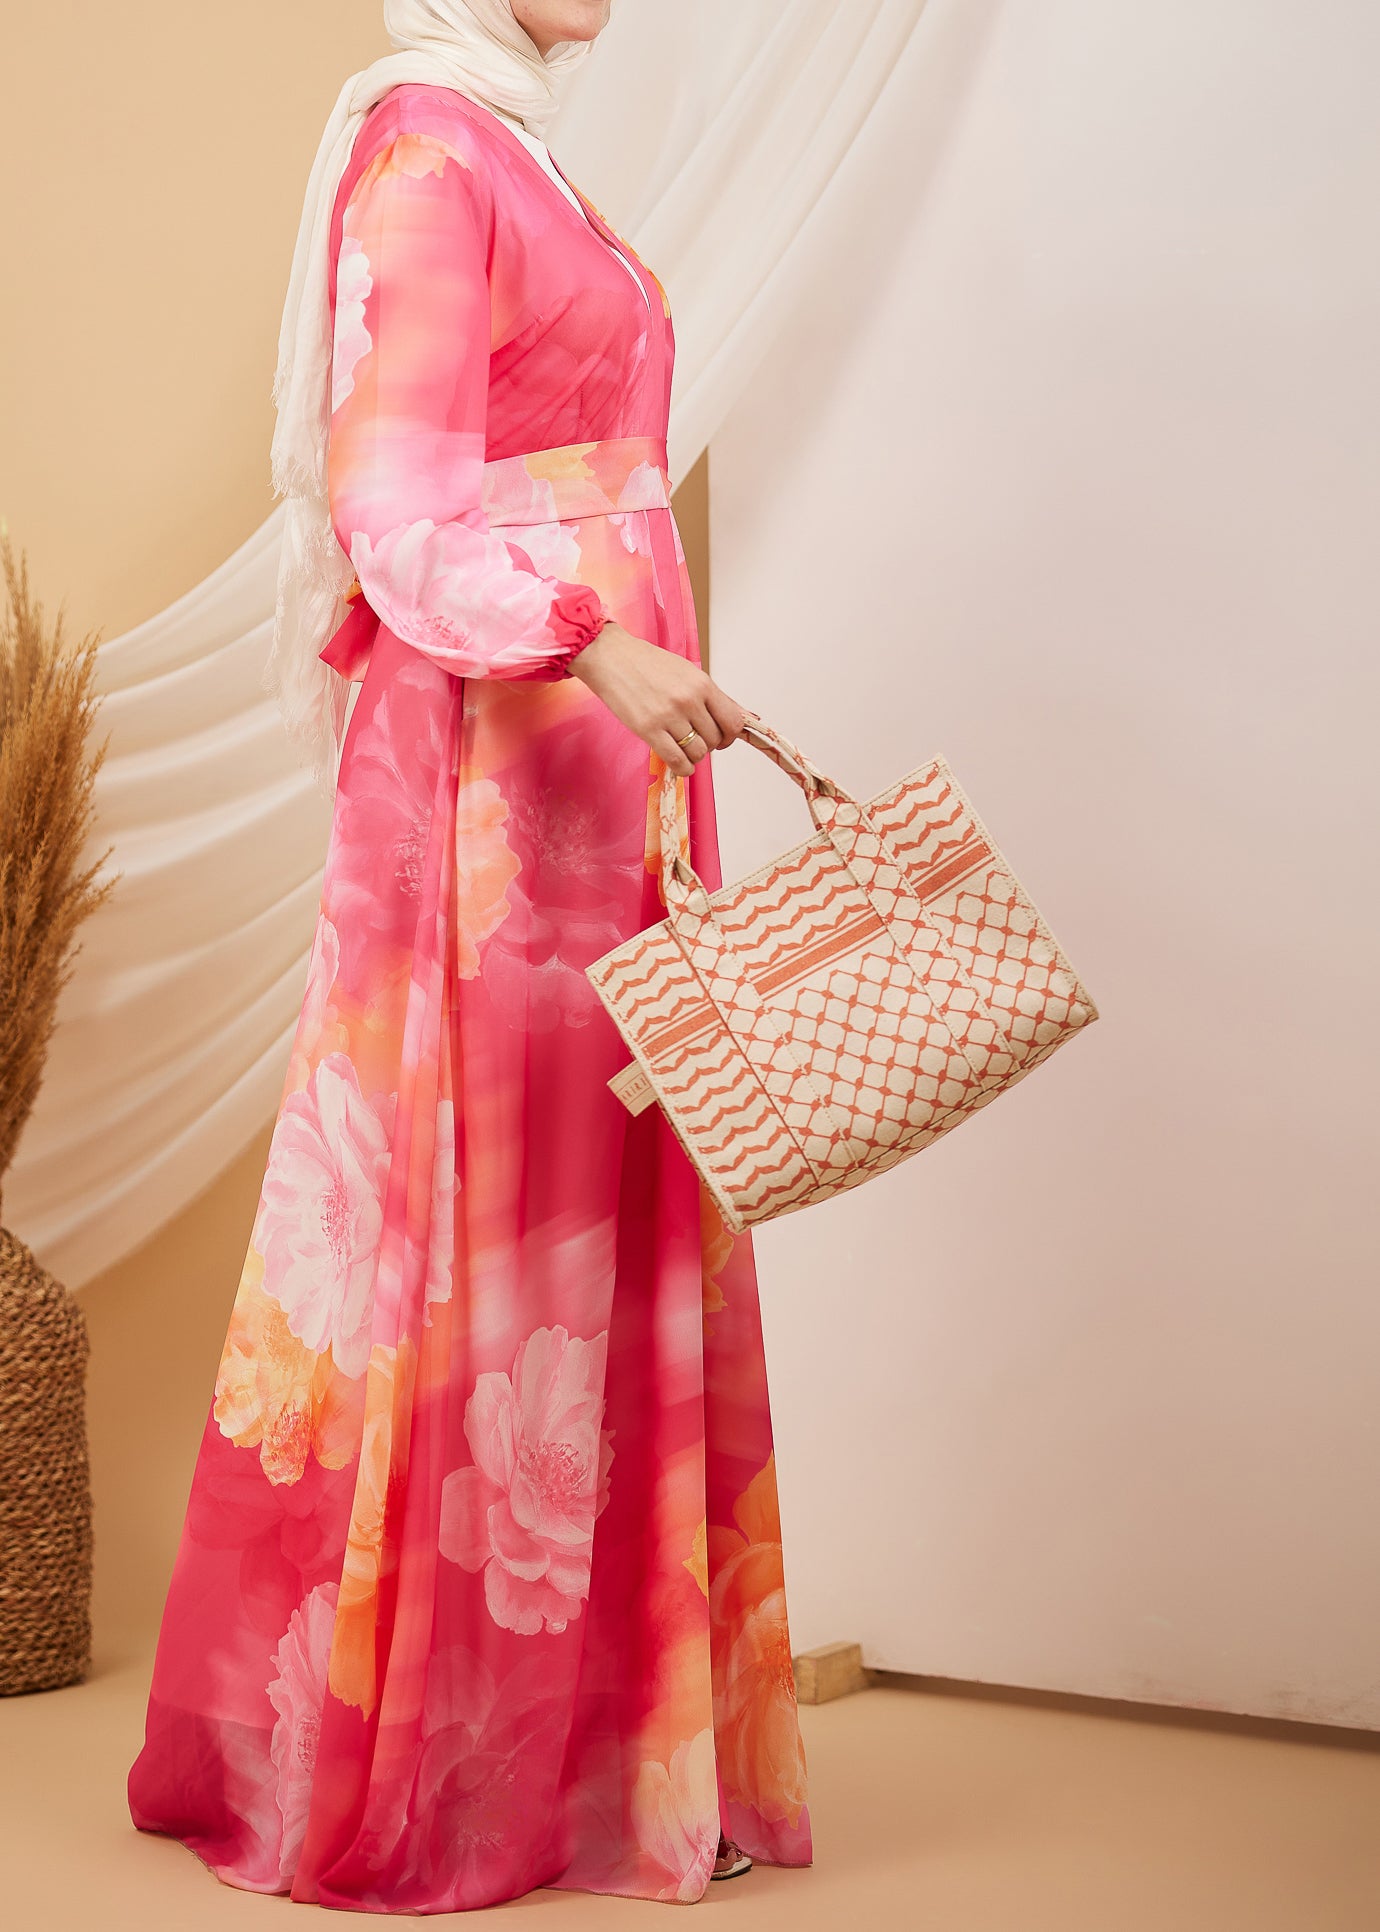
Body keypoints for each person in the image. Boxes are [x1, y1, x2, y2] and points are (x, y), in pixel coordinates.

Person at [126, 0, 812, 1910]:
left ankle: (620, 1770)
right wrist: (600, 640)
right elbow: (393, 508)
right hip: (504, 787)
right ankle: (465, 1782)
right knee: (499, 1245)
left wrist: (624, 664)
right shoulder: (429, 146)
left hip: (597, 783)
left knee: (604, 1217)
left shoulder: (517, 136)